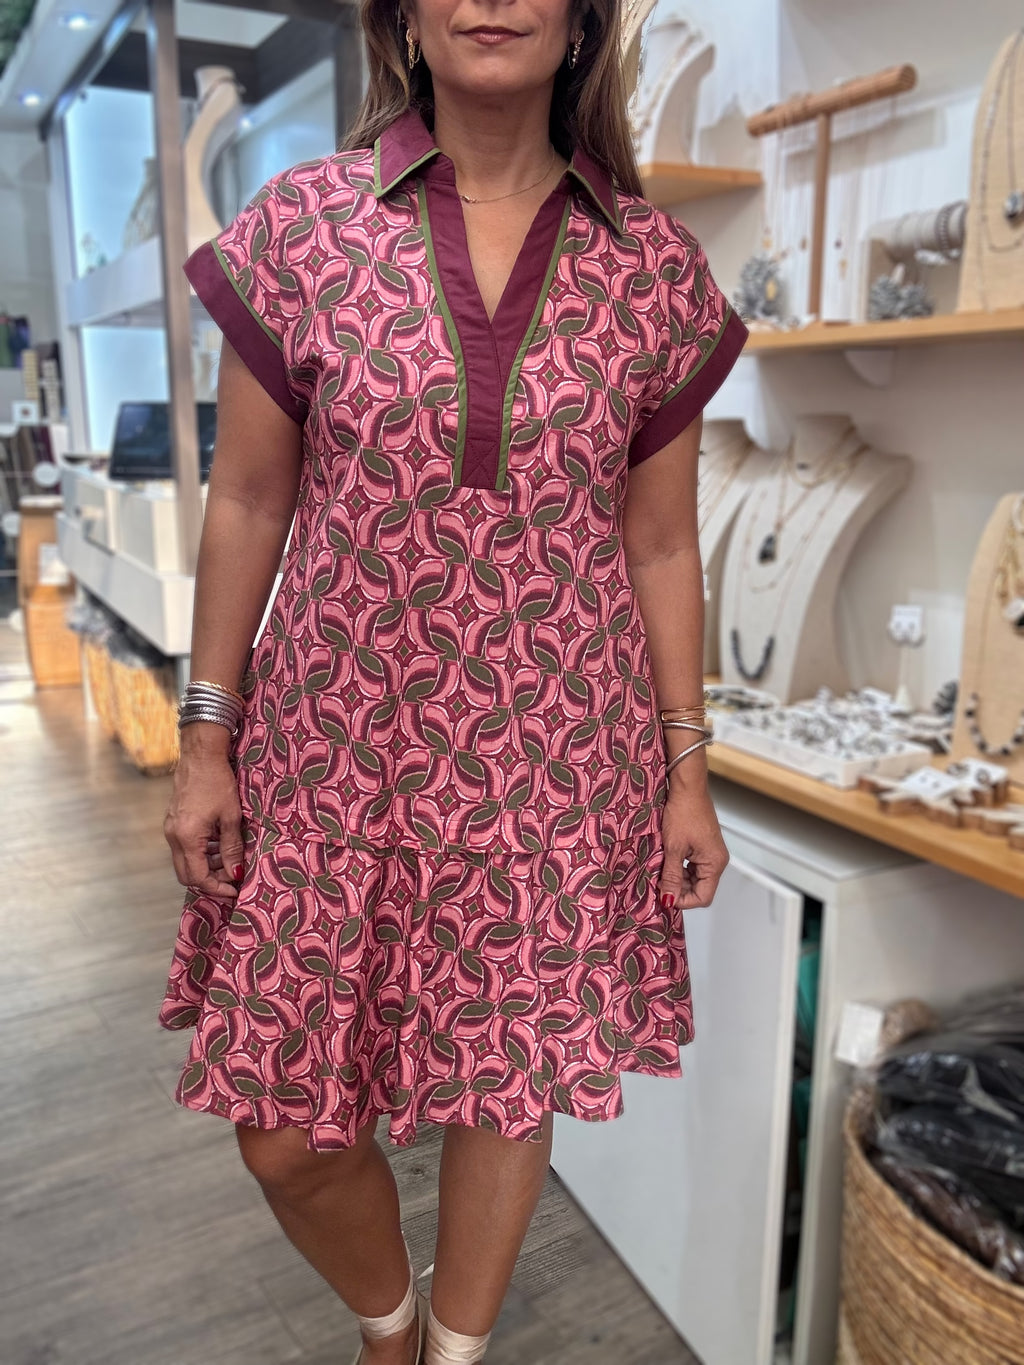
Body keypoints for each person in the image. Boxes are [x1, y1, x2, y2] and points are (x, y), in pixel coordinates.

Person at [159, 0, 746, 1359]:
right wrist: (205, 739)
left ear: (582, 21)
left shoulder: (652, 267)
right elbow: (247, 501)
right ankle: (391, 1324)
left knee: (506, 1076)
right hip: (333, 749)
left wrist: (687, 770)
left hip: (556, 753)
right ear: (403, 19)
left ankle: (456, 1355)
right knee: (285, 1133)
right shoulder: (307, 228)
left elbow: (661, 544)